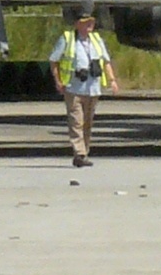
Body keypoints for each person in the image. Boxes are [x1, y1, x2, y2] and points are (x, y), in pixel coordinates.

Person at [49, 13, 117, 168]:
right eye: (86, 23)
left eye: (91, 22)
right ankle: (79, 153)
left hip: (93, 88)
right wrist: (58, 81)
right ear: (77, 24)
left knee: (87, 123)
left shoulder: (97, 40)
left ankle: (84, 152)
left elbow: (106, 61)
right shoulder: (67, 40)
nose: (90, 25)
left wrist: (112, 80)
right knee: (76, 122)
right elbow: (54, 61)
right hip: (74, 88)